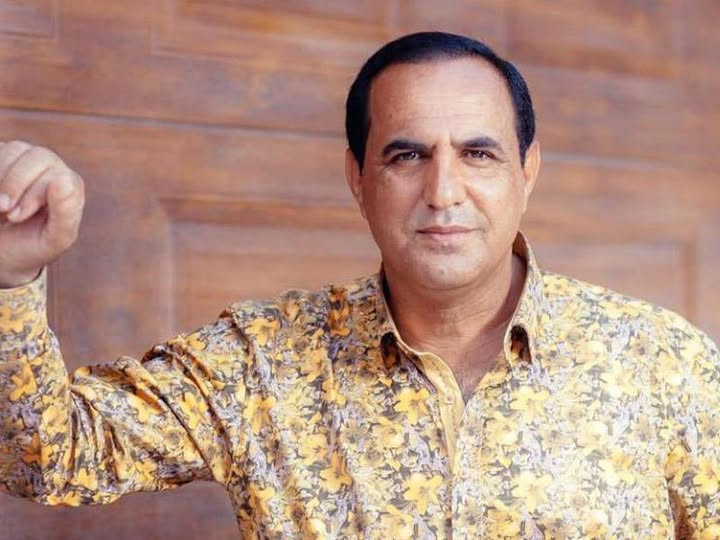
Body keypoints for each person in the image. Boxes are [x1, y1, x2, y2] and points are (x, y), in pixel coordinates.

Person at [0, 31, 718, 539]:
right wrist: (10, 273)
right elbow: (50, 460)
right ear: (358, 177)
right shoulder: (260, 361)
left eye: (478, 153)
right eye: (407, 156)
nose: (444, 191)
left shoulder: (664, 364)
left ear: (526, 173)